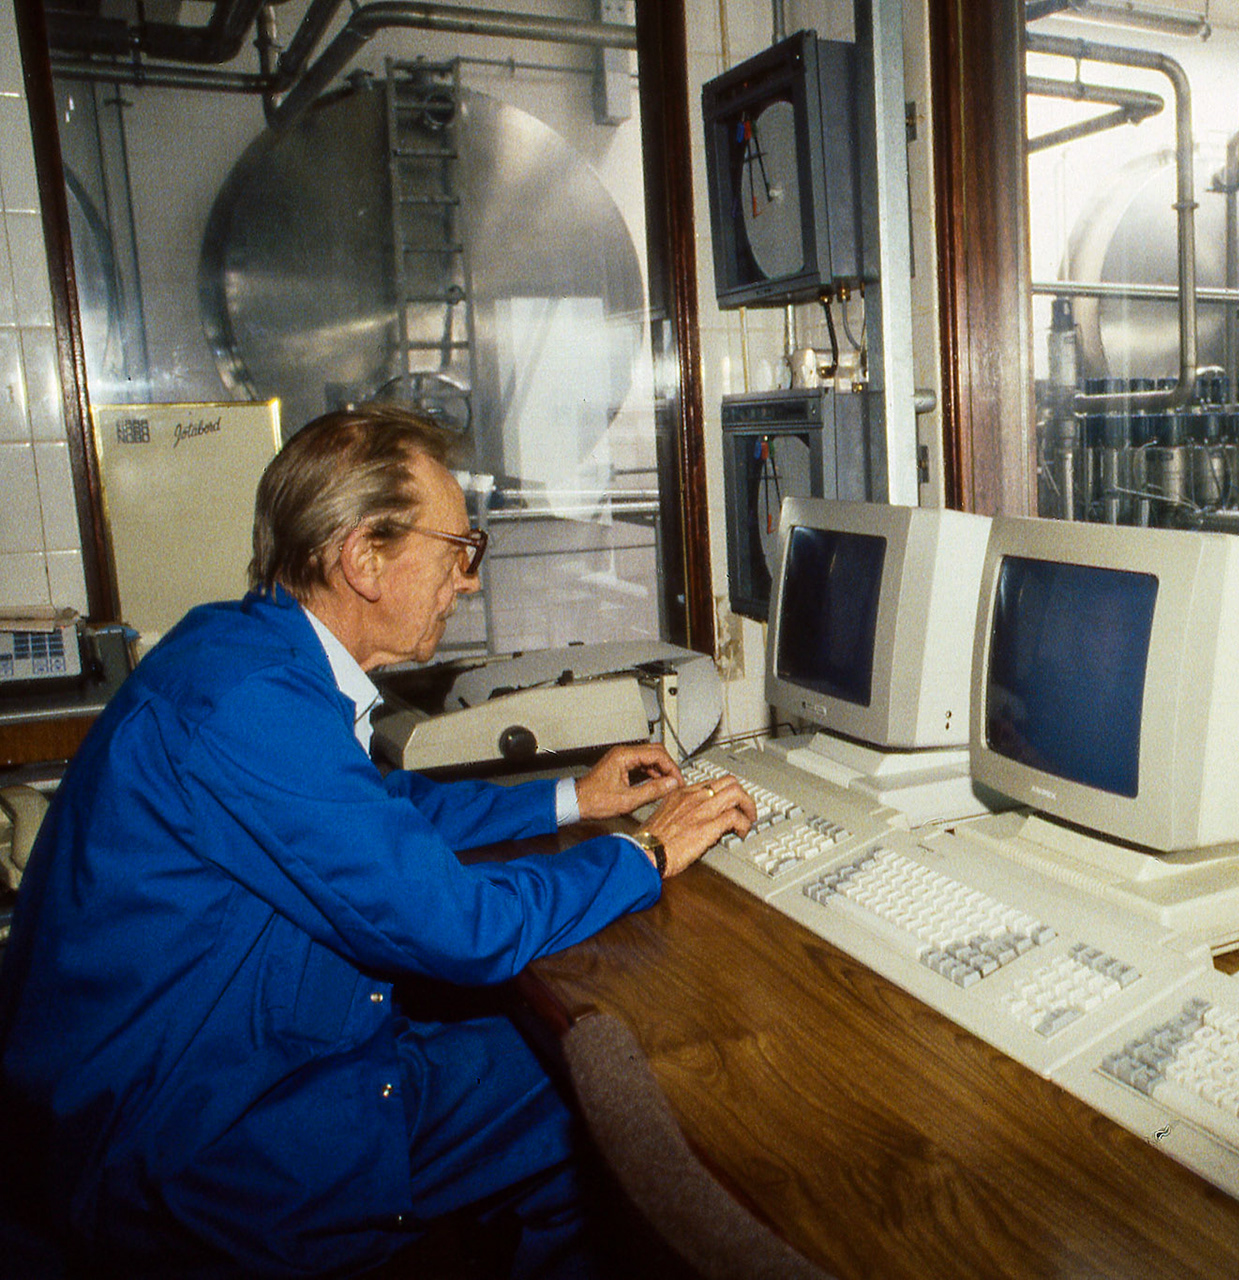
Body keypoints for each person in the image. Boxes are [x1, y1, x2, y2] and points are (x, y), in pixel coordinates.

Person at [0, 406, 755, 1276]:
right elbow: (461, 929)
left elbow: (377, 812)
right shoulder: (247, 704)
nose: (466, 582)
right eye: (456, 552)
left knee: (567, 1080)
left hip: (240, 1065)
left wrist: (568, 800)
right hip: (199, 1144)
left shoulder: (235, 646)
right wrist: (647, 853)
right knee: (601, 1101)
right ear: (363, 557)